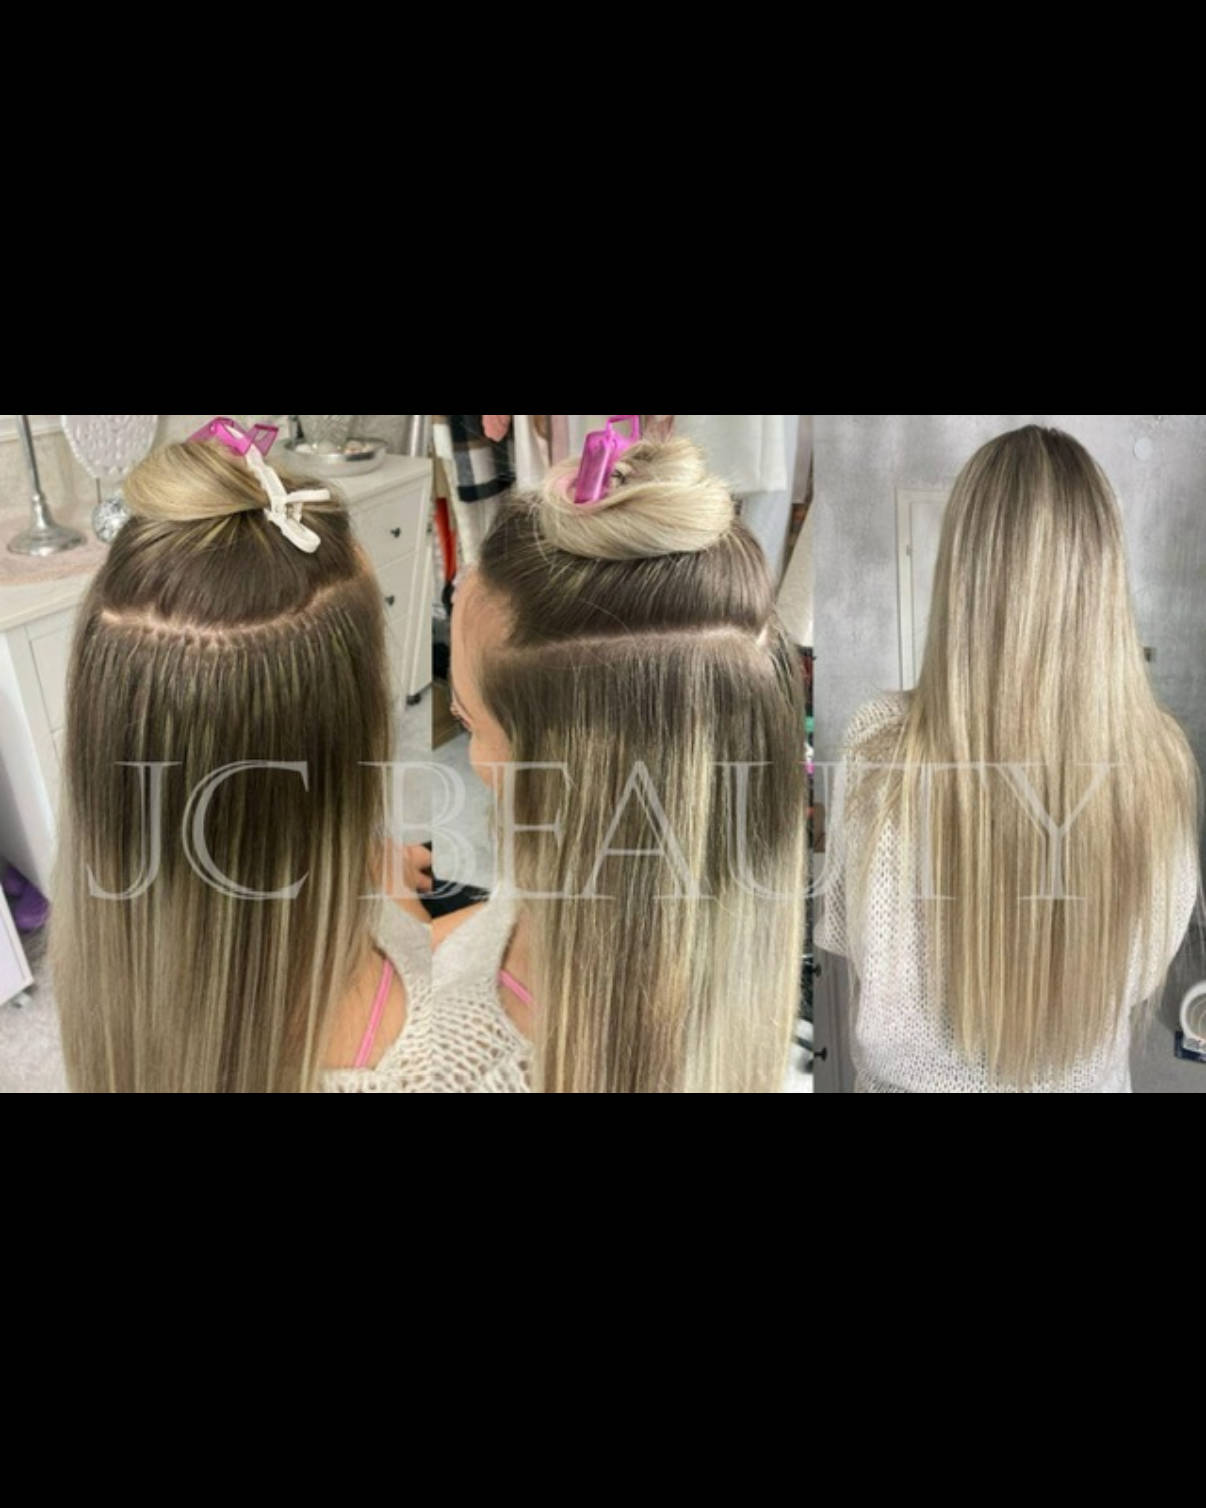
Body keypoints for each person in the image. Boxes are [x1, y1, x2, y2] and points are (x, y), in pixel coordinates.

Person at [818, 424, 1202, 1092]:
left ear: (961, 574)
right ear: (1102, 579)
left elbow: (860, 951)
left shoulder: (879, 746)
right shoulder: (1159, 759)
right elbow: (1145, 969)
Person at [52, 418, 430, 1093]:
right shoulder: (426, 1040)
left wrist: (369, 862)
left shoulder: (103, 969)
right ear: (357, 731)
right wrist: (415, 918)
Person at [432, 421, 808, 1092]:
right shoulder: (750, 1009)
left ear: (575, 779)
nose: (472, 757)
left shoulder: (453, 1057)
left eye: (469, 722)